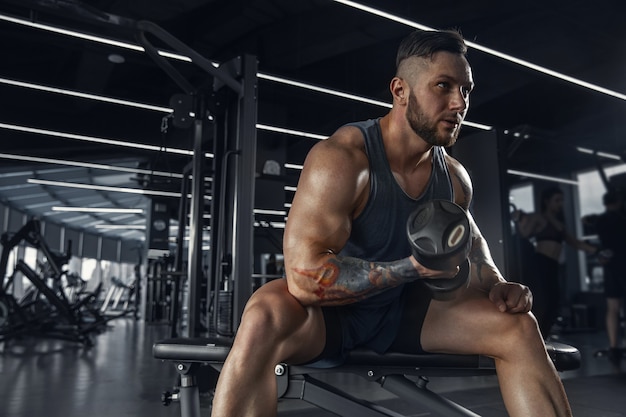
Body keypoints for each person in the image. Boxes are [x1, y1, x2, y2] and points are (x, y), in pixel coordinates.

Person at [211, 29, 572, 417]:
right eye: (443, 86)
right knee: (265, 311)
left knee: (518, 326)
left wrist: (499, 284)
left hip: (404, 314)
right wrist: (409, 268)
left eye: (466, 90)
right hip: (330, 319)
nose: (459, 103)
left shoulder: (452, 177)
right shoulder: (344, 159)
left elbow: (472, 241)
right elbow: (304, 278)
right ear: (400, 91)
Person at [514, 186, 597, 337]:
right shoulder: (539, 218)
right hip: (541, 264)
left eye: (562, 200)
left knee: (554, 305)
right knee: (543, 305)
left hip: (553, 265)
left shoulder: (559, 224)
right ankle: (533, 338)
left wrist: (596, 250)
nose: (560, 204)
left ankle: (543, 338)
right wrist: (519, 219)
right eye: (557, 200)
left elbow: (575, 243)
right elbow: (524, 234)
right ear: (547, 201)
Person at [594, 188, 626, 367]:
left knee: (612, 308)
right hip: (621, 265)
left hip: (611, 266)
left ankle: (614, 347)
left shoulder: (601, 221)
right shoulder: (622, 220)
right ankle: (615, 348)